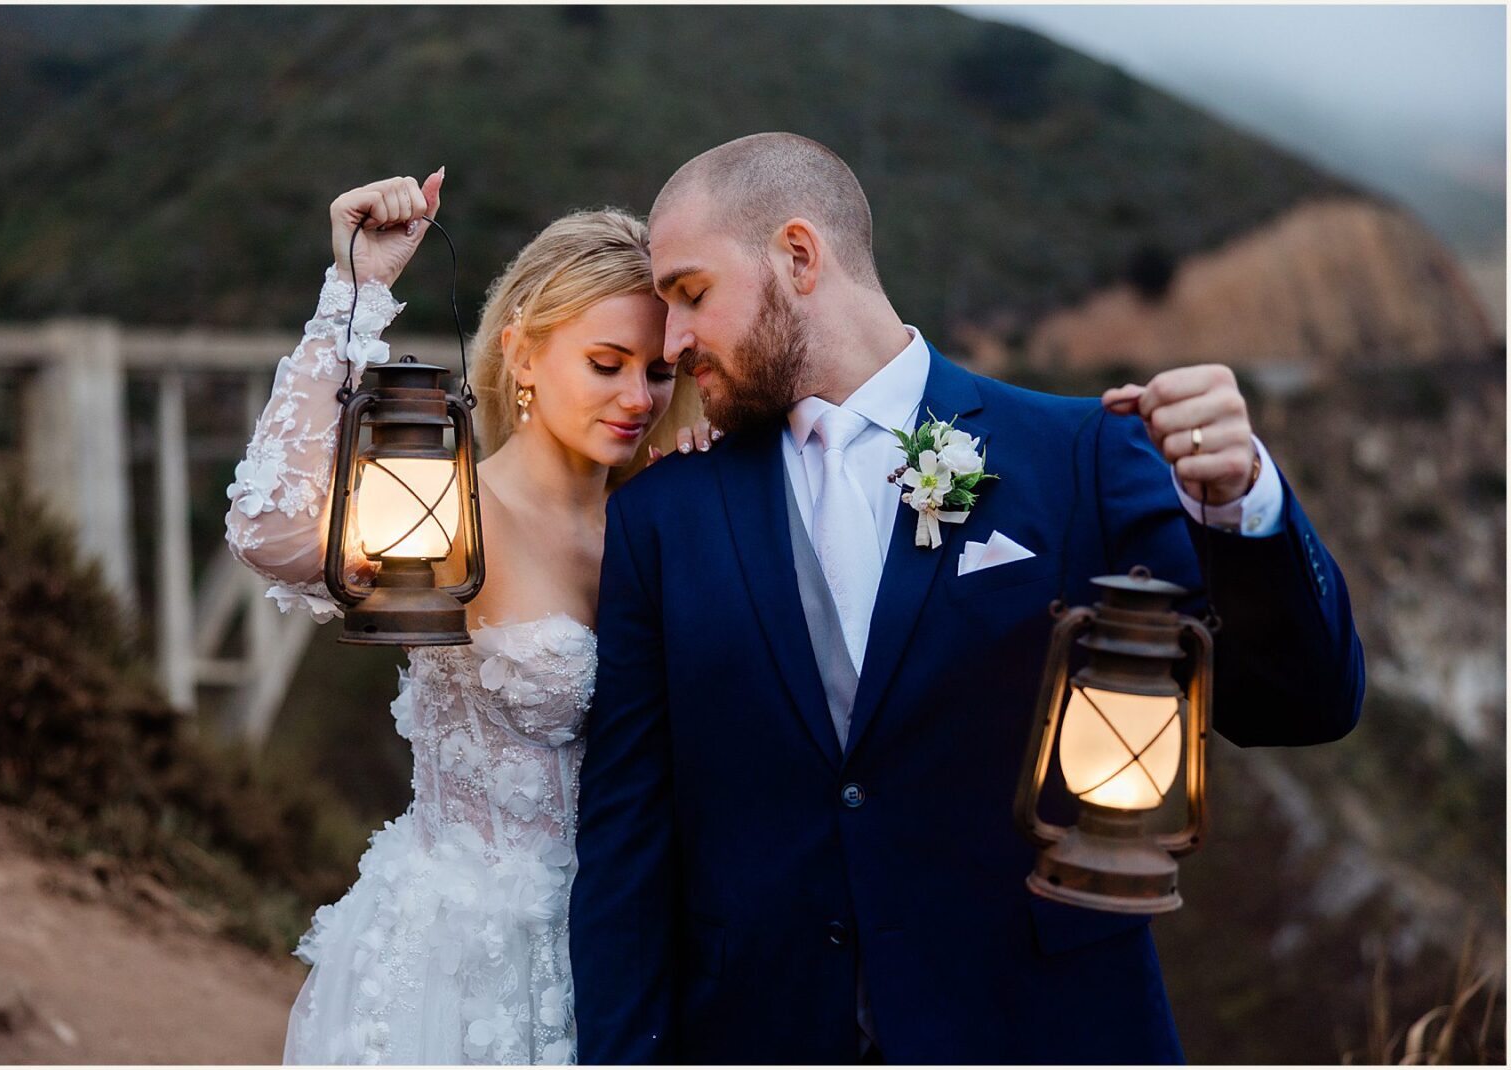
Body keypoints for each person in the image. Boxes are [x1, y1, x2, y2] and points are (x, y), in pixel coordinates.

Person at [568, 133, 1365, 1063]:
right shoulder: (665, 515)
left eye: (691, 295)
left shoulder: (1077, 458)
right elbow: (626, 833)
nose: (674, 343)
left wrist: (1244, 504)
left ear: (797, 256)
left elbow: (1302, 705)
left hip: (1039, 1028)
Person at [223, 169, 706, 1064]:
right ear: (524, 355)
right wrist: (357, 291)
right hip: (458, 968)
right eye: (607, 364)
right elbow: (268, 530)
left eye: (660, 371)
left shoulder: (670, 520)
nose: (639, 397)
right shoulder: (444, 515)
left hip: (633, 948)